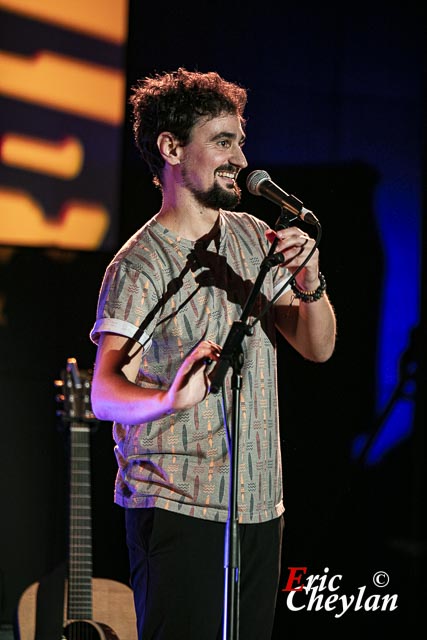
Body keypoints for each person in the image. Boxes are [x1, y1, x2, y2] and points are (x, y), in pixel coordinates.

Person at [89, 67, 336, 640]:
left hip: (258, 506)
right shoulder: (138, 265)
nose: (240, 158)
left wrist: (311, 282)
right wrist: (169, 398)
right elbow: (104, 393)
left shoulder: (253, 236)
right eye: (223, 142)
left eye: (240, 141)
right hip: (177, 506)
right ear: (172, 148)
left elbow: (317, 348)